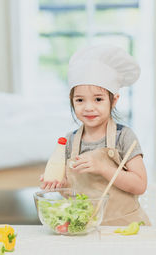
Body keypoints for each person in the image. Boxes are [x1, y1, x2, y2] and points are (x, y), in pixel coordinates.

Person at [40, 44, 150, 226]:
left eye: (98, 99)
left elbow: (140, 185)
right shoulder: (70, 141)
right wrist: (60, 185)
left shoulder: (124, 137)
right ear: (72, 101)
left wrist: (103, 167)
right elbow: (75, 192)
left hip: (125, 228)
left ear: (113, 100)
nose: (88, 107)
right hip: (85, 228)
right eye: (80, 100)